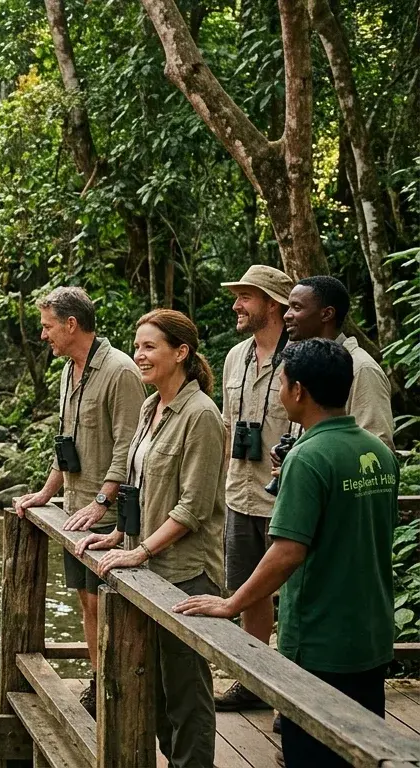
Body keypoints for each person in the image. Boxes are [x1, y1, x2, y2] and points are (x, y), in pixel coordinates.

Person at [174, 339, 398, 768]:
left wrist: (232, 603)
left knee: (310, 753)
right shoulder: (379, 454)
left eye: (281, 384)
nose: (278, 393)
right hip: (371, 632)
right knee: (365, 751)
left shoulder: (308, 457)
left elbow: (288, 551)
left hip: (319, 638)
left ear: (298, 391)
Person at [77, 309, 225, 768]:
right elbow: (138, 485)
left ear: (181, 353)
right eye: (136, 346)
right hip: (147, 571)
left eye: (149, 347)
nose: (138, 355)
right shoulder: (149, 405)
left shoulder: (201, 415)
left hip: (186, 575)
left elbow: (193, 508)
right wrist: (119, 533)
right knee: (154, 692)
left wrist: (139, 550)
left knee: (186, 694)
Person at [14, 286, 144, 714]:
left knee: (106, 603)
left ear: (72, 324)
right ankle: (98, 681)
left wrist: (103, 502)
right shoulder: (69, 370)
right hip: (74, 507)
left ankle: (118, 689)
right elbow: (66, 441)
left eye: (48, 327)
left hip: (106, 512)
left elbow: (129, 444)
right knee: (86, 601)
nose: (43, 335)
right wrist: (46, 493)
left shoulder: (121, 370)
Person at [214, 266, 294, 712]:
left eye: (246, 297)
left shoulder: (301, 357)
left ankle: (295, 696)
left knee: (295, 598)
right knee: (248, 593)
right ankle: (255, 682)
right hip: (240, 495)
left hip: (286, 500)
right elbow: (228, 428)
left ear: (273, 304)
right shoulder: (235, 357)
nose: (236, 305)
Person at [283, 275, 394, 449]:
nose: (287, 315)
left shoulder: (360, 368)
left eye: (296, 307)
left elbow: (377, 447)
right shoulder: (306, 365)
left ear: (327, 314)